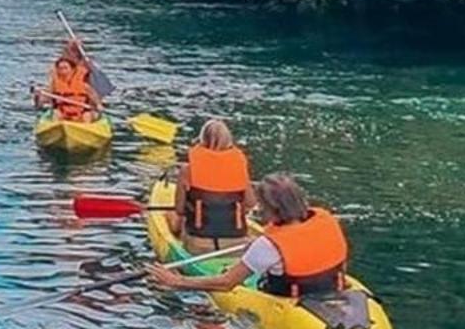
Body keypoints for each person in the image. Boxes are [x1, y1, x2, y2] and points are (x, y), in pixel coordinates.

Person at [147, 172, 348, 300]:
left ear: (272, 208)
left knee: (205, 314)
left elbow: (226, 283)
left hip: (289, 304)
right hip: (333, 292)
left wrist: (177, 282)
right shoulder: (326, 219)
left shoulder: (267, 246)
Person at [169, 118, 254, 255]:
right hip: (235, 244)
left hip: (199, 244)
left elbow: (179, 209)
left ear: (202, 138)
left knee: (171, 216)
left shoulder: (187, 170)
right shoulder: (238, 166)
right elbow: (251, 203)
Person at [33, 40, 102, 121]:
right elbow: (42, 102)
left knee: (86, 116)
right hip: (62, 112)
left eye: (65, 68)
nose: (62, 71)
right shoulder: (55, 84)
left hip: (82, 111)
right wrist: (38, 97)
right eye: (60, 69)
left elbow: (94, 96)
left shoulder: (83, 84)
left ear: (72, 70)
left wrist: (98, 105)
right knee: (56, 114)